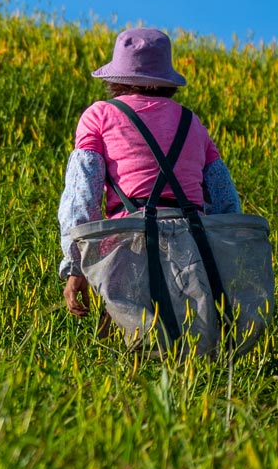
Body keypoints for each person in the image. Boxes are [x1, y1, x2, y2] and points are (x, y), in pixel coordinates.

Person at [58, 27, 242, 319]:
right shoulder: (192, 123)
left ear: (116, 78)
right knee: (187, 350)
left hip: (126, 249)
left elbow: (82, 195)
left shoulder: (99, 116)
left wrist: (75, 264)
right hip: (193, 253)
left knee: (125, 350)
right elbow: (226, 203)